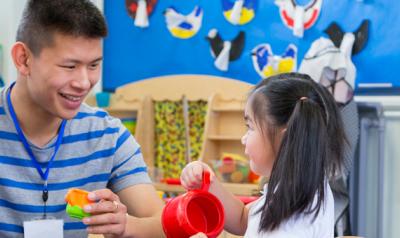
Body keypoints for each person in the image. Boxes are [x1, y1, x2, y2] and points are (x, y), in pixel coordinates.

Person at [0, 0, 164, 237]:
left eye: (94, 65)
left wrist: (125, 225)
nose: (84, 82)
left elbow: (162, 223)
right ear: (23, 59)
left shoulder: (108, 135)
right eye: (70, 66)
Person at [182, 73, 346, 238]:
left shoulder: (294, 218)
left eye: (250, 126)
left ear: (284, 138)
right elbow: (243, 219)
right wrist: (210, 185)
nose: (243, 138)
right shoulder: (295, 189)